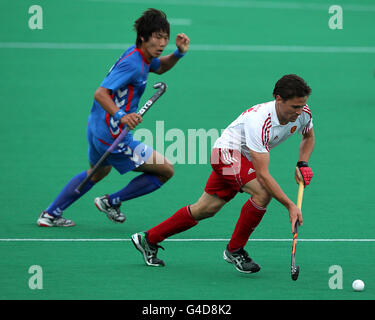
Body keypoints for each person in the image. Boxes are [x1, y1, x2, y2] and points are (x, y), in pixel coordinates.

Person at [131, 74, 315, 273]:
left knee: (205, 209)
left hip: (244, 159)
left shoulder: (303, 112)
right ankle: (234, 250)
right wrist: (290, 205)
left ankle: (148, 239)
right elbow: (262, 174)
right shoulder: (260, 121)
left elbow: (308, 136)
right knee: (262, 192)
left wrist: (302, 162)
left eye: (302, 105)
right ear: (278, 98)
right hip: (225, 154)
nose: (299, 112)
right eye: (294, 107)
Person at [37, 9, 190, 227]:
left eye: (165, 37)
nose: (163, 43)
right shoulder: (133, 64)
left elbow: (161, 67)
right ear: (143, 37)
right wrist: (122, 116)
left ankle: (50, 214)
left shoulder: (139, 56)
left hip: (97, 128)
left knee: (97, 172)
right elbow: (100, 93)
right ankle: (111, 202)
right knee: (165, 170)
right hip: (113, 135)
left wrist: (178, 53)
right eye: (157, 37)